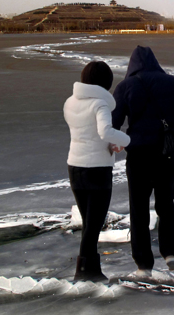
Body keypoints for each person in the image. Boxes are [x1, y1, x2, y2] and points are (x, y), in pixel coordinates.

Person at [112, 46, 174, 276]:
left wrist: (108, 146)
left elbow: (112, 122)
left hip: (137, 156)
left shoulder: (125, 86)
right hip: (168, 154)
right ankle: (171, 254)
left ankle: (143, 264)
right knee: (166, 204)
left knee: (138, 209)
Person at [64, 61, 130, 282]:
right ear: (106, 82)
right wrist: (127, 140)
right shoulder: (100, 104)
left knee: (89, 223)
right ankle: (85, 271)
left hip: (75, 167)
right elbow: (105, 131)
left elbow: (87, 133)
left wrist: (111, 144)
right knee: (93, 225)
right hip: (97, 170)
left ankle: (89, 270)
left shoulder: (69, 103)